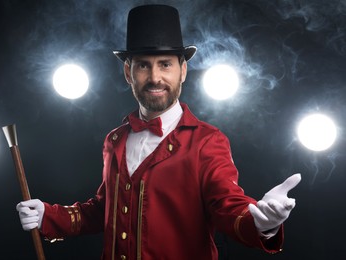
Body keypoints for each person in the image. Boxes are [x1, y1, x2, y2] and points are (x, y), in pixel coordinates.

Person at [17, 4, 301, 260]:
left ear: (183, 71)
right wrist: (48, 215)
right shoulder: (114, 140)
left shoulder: (207, 141)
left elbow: (228, 206)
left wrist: (263, 223)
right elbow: (105, 211)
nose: (154, 77)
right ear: (128, 73)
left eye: (165, 64)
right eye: (143, 65)